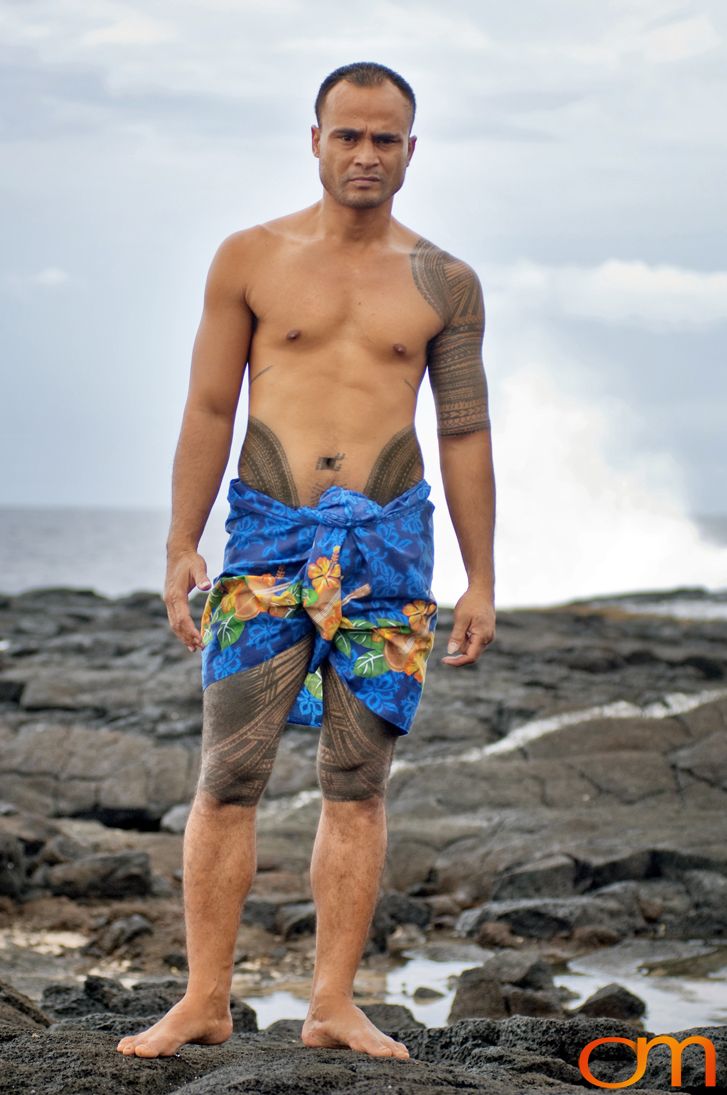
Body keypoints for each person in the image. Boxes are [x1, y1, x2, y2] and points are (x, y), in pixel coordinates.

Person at [117, 60, 496, 1063]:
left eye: (385, 139)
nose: (365, 155)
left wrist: (482, 577)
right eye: (348, 135)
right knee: (227, 777)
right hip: (266, 543)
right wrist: (178, 545)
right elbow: (207, 408)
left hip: (388, 555)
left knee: (357, 786)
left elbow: (464, 434)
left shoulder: (444, 282)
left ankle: (333, 1004)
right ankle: (203, 1000)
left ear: (411, 152)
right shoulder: (250, 257)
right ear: (315, 138)